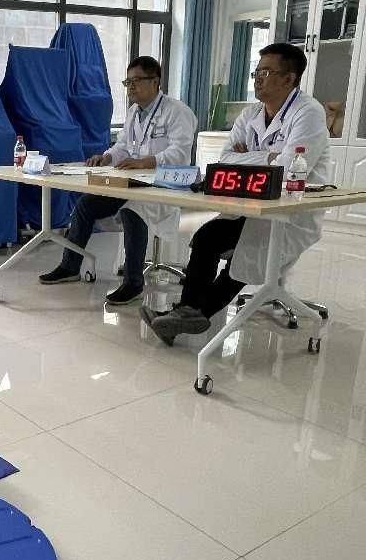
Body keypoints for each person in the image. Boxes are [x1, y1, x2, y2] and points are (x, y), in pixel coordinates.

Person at [144, 42, 331, 344]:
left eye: (266, 73)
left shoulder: (308, 112)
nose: (258, 79)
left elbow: (288, 168)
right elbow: (225, 159)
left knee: (246, 255)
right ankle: (185, 312)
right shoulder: (250, 114)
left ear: (289, 78)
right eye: (257, 72)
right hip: (249, 205)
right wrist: (267, 156)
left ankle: (189, 316)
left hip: (290, 211)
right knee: (206, 238)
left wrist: (252, 157)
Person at [38, 56, 197, 305]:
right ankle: (70, 266)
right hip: (132, 181)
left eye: (136, 81)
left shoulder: (177, 111)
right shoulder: (134, 112)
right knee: (85, 205)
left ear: (155, 81)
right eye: (128, 82)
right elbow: (123, 146)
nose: (131, 87)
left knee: (133, 209)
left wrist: (146, 162)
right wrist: (107, 157)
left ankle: (133, 283)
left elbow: (180, 153)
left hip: (163, 184)